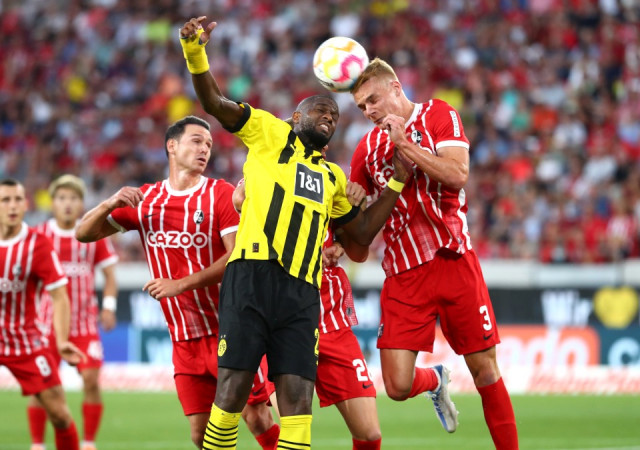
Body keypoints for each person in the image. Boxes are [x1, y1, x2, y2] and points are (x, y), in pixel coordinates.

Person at [179, 15, 404, 450]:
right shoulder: (268, 132)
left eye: (334, 115)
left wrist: (395, 183)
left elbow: (360, 235)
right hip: (252, 276)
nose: (329, 117)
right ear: (297, 116)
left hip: (302, 292)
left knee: (298, 401)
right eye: (321, 110)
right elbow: (215, 103)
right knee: (233, 391)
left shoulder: (333, 177)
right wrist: (195, 52)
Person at [75, 116, 279, 450]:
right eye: (197, 141)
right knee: (200, 434)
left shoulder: (220, 194)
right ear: (172, 145)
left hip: (231, 330)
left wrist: (180, 284)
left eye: (209, 144)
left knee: (257, 417)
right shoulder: (146, 200)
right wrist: (110, 202)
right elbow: (84, 233)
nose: (204, 149)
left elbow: (236, 258)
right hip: (184, 339)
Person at [348, 58, 519, 448]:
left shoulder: (438, 114)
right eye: (361, 106)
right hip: (403, 273)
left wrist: (405, 145)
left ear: (395, 88)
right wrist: (350, 211)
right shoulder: (365, 150)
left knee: (485, 370)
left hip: (453, 259)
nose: (368, 111)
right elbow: (359, 246)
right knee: (396, 385)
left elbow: (458, 175)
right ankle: (435, 379)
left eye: (373, 100)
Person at [234, 180, 382, 450]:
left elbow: (357, 244)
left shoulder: (330, 178)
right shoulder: (263, 169)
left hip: (331, 319)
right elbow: (240, 202)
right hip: (282, 325)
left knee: (369, 434)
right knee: (294, 431)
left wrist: (342, 237)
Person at [26, 175, 119, 450]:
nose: (67, 203)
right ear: (53, 203)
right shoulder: (39, 236)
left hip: (84, 325)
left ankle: (88, 442)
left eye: (73, 198)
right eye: (62, 198)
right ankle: (37, 444)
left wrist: (109, 307)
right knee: (41, 387)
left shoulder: (92, 233)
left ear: (81, 204)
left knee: (91, 380)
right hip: (45, 326)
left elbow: (110, 276)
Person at [0, 178, 86, 450]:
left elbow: (60, 296)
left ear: (26, 204)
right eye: (5, 200)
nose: (13, 206)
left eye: (18, 200)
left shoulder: (37, 244)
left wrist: (61, 341)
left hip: (25, 342)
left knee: (59, 414)